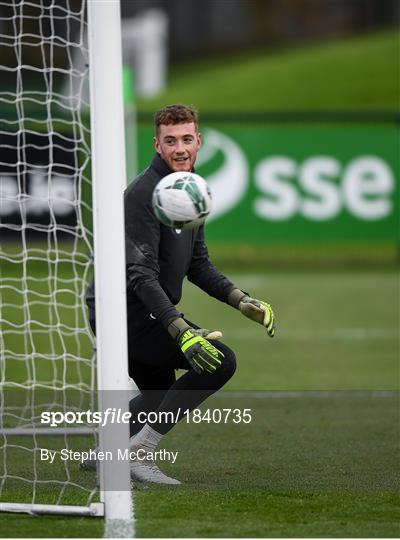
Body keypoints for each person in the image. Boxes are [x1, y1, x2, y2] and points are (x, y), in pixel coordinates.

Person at [85, 104, 275, 485]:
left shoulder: (190, 187)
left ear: (199, 142)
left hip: (144, 308)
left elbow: (198, 263)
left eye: (187, 139)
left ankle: (104, 453)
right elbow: (140, 276)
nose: (180, 148)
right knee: (219, 361)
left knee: (158, 396)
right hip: (124, 311)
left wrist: (240, 300)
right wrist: (181, 330)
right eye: (170, 141)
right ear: (157, 145)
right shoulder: (142, 194)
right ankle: (140, 453)